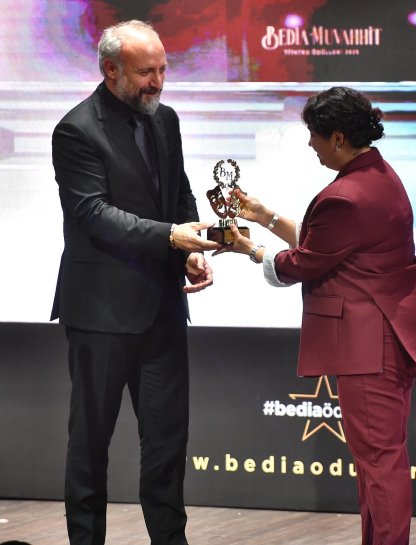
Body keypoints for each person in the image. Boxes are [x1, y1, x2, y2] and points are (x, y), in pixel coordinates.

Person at [224, 86, 416, 545]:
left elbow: (303, 262)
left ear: (338, 137)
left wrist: (250, 249)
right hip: (394, 336)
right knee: (378, 463)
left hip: (369, 347)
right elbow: (329, 243)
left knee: (379, 465)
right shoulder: (380, 175)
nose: (310, 144)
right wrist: (266, 216)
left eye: (314, 135)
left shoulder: (344, 196)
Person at [51, 20, 220, 545]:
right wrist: (171, 237)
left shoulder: (165, 119)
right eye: (147, 72)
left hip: (162, 310)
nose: (158, 81)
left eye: (163, 69)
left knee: (168, 444)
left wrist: (191, 250)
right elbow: (94, 214)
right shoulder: (76, 130)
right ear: (111, 70)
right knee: (90, 446)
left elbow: (179, 193)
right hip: (100, 314)